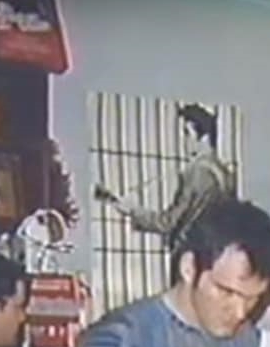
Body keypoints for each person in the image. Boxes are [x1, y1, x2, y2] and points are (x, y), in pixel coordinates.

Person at [74, 199, 270, 347]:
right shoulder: (118, 340)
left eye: (252, 298)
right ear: (189, 268)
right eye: (226, 292)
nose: (240, 312)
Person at [94, 102, 236, 249]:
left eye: (187, 133)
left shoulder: (196, 172)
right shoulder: (225, 174)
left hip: (194, 253)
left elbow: (168, 222)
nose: (184, 141)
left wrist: (133, 210)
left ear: (204, 137)